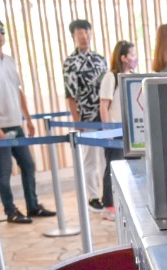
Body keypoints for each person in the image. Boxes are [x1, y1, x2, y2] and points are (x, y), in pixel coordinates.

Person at [0, 16, 55, 225]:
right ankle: (10, 210)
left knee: (28, 165)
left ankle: (33, 205)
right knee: (4, 170)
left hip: (15, 123)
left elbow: (18, 91)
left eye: (2, 31)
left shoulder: (8, 60)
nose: (0, 35)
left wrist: (27, 119)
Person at [63, 19, 108, 211]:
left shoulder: (100, 58)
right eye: (80, 33)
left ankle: (107, 193)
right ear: (74, 36)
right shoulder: (70, 63)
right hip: (86, 116)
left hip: (104, 115)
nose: (84, 36)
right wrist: (76, 119)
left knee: (105, 157)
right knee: (90, 159)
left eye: (87, 32)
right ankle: (93, 196)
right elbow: (70, 94)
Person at [99, 40, 136, 220]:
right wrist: (109, 131)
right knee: (113, 167)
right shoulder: (111, 77)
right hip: (115, 130)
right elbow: (104, 105)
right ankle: (108, 205)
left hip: (131, 131)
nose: (134, 58)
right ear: (123, 57)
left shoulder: (133, 76)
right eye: (132, 54)